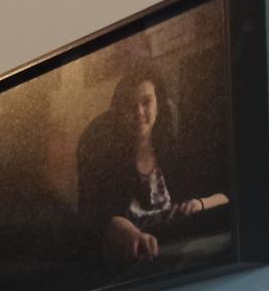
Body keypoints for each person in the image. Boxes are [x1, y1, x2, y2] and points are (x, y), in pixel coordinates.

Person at [75, 59, 229, 264]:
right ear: (119, 112)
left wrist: (199, 204)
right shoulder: (105, 158)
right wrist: (130, 233)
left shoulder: (177, 152)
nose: (139, 112)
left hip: (180, 245)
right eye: (130, 106)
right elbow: (94, 216)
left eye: (146, 102)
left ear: (159, 104)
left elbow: (225, 198)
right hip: (130, 256)